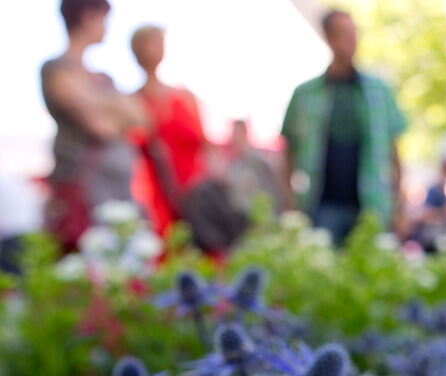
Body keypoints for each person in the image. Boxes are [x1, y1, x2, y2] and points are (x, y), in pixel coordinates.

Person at [281, 9, 407, 245]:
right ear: (328, 38)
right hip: (321, 206)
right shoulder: (305, 94)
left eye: (354, 34)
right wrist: (290, 203)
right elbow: (288, 150)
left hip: (370, 206)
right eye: (344, 34)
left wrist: (399, 207)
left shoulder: (378, 90)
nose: (352, 41)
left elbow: (395, 152)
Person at [40, 0, 145, 251]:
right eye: (103, 18)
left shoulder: (103, 77)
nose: (106, 27)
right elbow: (100, 127)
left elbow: (142, 117)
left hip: (118, 190)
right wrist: (115, 108)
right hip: (83, 192)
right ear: (87, 16)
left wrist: (94, 101)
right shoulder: (56, 69)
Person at [130, 25, 208, 238]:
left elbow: (204, 144)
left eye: (159, 42)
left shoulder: (184, 97)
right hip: (157, 197)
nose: (157, 48)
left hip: (194, 193)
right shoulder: (133, 102)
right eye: (151, 42)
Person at [226, 120, 283, 218]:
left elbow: (272, 192)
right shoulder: (235, 164)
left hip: (259, 219)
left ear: (244, 133)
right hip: (240, 220)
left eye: (236, 133)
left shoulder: (258, 161)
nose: (233, 138)